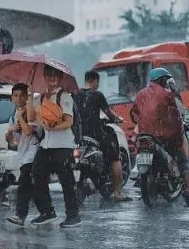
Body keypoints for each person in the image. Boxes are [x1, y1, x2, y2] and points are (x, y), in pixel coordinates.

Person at [27, 65, 82, 228]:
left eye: (55, 75)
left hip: (64, 145)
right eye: (48, 75)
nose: (51, 78)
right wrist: (30, 95)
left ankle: (73, 216)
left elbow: (68, 121)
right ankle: (47, 212)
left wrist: (52, 127)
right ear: (44, 77)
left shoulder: (65, 96)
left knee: (66, 180)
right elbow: (31, 117)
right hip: (46, 145)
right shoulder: (41, 98)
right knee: (37, 174)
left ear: (59, 78)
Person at [130, 68, 189, 204]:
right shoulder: (167, 94)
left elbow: (134, 113)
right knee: (183, 159)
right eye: (166, 79)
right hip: (164, 136)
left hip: (145, 135)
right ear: (162, 80)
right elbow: (178, 111)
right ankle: (187, 189)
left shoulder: (140, 94)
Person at [76, 70, 131, 202]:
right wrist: (118, 119)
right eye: (97, 82)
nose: (97, 85)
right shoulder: (97, 94)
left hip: (79, 134)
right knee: (115, 158)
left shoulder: (75, 94)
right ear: (94, 80)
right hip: (95, 133)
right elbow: (108, 113)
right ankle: (118, 192)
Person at [4, 83, 50, 226]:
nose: (18, 98)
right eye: (15, 96)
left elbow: (30, 131)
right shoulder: (13, 116)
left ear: (26, 97)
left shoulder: (32, 112)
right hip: (23, 156)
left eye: (22, 95)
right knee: (35, 186)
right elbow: (11, 142)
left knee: (24, 185)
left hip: (34, 154)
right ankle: (47, 211)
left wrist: (21, 118)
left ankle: (21, 215)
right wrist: (10, 131)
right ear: (12, 98)